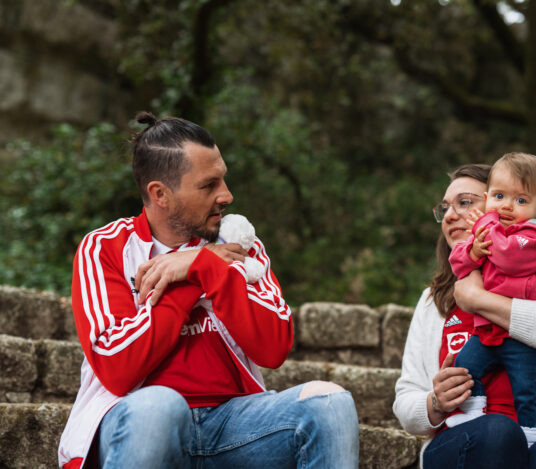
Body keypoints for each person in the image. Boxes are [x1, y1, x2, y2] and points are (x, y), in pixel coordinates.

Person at [57, 112, 359, 469]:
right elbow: (118, 368)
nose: (226, 195)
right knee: (160, 406)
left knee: (330, 404)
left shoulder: (239, 246)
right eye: (208, 185)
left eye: (224, 181)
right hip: (140, 421)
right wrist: (192, 278)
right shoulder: (105, 248)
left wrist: (206, 267)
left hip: (234, 425)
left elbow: (274, 347)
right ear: (161, 194)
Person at [393, 163, 536, 468]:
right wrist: (435, 402)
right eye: (445, 208)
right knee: (498, 431)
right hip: (465, 440)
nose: (451, 215)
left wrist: (479, 299)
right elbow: (405, 401)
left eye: (465, 202)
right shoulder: (433, 301)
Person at [445, 153, 536, 448]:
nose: (506, 206)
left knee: (526, 388)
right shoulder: (491, 233)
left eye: (520, 201)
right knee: (465, 363)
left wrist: (486, 225)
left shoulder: (535, 235)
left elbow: (509, 257)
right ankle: (473, 411)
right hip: (489, 332)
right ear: (489, 196)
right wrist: (474, 252)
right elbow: (460, 264)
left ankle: (531, 434)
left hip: (524, 339)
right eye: (499, 196)